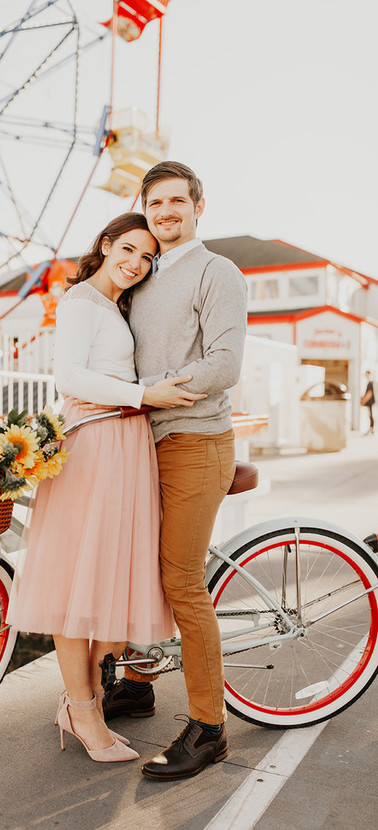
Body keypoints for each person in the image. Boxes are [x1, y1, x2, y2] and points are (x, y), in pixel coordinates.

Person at [8, 212, 206, 764]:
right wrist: (144, 395)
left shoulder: (117, 307)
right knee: (78, 587)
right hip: (94, 447)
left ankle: (83, 703)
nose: (136, 264)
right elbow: (67, 377)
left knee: (110, 588)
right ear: (106, 244)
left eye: (147, 258)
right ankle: (85, 713)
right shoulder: (79, 303)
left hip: (124, 448)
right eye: (128, 250)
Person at [102, 161, 248, 781]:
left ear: (198, 207)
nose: (164, 213)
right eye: (154, 202)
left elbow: (224, 364)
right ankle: (136, 686)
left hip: (195, 439)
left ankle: (210, 728)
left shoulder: (218, 272)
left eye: (176, 203)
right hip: (141, 441)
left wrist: (152, 391)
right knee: (139, 568)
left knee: (183, 582)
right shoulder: (141, 275)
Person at [361, 371, 374, 435]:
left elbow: (369, 393)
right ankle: (370, 429)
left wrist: (363, 401)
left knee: (369, 416)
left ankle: (370, 429)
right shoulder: (370, 383)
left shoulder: (370, 383)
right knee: (370, 415)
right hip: (370, 402)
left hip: (369, 403)